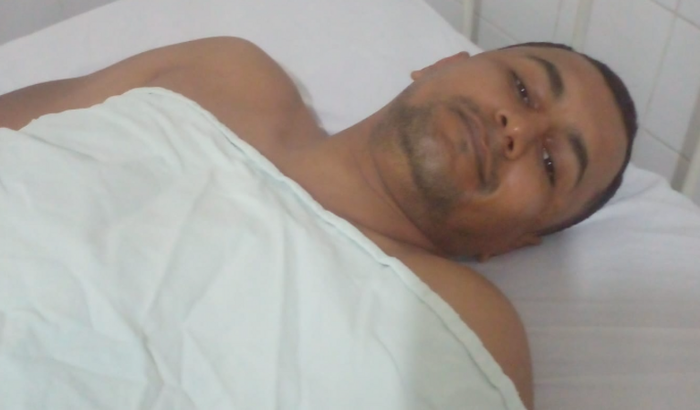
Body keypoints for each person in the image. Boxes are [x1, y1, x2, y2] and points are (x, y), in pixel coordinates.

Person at [0, 37, 637, 409]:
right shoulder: (222, 75)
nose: (516, 128)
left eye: (551, 164)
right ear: (441, 62)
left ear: (515, 243)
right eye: (522, 88)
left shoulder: (466, 326)